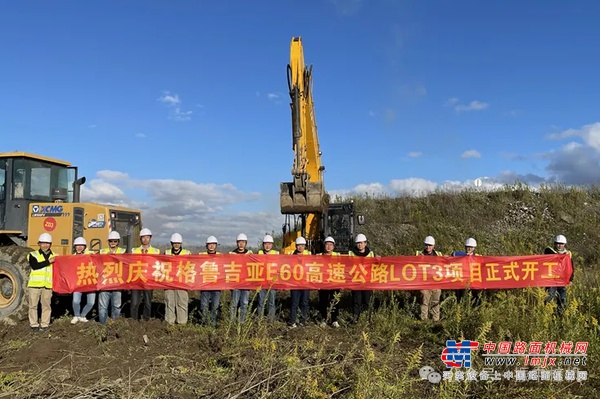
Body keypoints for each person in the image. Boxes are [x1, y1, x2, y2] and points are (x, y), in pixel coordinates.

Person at [130, 228, 160, 320]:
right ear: (140, 238)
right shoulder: (134, 251)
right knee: (134, 302)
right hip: (137, 279)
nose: (145, 239)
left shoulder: (156, 251)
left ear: (150, 238)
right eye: (143, 237)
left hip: (148, 280)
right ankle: (134, 320)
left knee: (147, 302)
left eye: (147, 237)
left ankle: (146, 320)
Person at [27, 233, 55, 331]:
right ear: (39, 244)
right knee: (33, 306)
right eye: (43, 243)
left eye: (47, 243)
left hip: (47, 286)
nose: (45, 245)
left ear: (50, 244)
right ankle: (34, 324)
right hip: (34, 285)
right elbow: (35, 266)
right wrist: (48, 262)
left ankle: (45, 324)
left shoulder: (55, 256)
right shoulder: (33, 255)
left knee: (46, 306)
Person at [98, 231, 126, 324]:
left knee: (116, 306)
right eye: (111, 241)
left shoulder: (123, 252)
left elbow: (127, 265)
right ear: (108, 242)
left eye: (115, 241)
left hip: (117, 283)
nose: (113, 243)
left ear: (118, 242)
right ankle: (103, 325)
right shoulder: (102, 252)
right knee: (102, 307)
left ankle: (114, 324)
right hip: (105, 283)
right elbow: (94, 262)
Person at [164, 233, 191, 325]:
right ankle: (169, 321)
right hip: (169, 282)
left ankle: (182, 322)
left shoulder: (187, 253)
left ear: (181, 243)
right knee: (169, 302)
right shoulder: (166, 253)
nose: (176, 245)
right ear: (171, 243)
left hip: (182, 282)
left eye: (178, 243)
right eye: (174, 243)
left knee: (182, 302)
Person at [544, 234, 573, 316]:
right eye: (557, 243)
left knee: (562, 299)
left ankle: (559, 315)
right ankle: (546, 315)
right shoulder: (549, 251)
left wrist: (570, 279)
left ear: (564, 244)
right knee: (549, 298)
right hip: (551, 280)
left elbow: (571, 268)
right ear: (554, 243)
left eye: (561, 244)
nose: (559, 245)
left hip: (562, 281)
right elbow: (548, 253)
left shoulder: (568, 254)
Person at [349, 233, 375, 322]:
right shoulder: (351, 254)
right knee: (357, 301)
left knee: (367, 301)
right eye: (358, 243)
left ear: (365, 243)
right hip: (356, 282)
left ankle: (367, 318)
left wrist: (379, 260)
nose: (360, 245)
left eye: (362, 243)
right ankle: (356, 319)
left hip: (367, 282)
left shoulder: (371, 254)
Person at [417, 235, 443, 322]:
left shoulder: (439, 254)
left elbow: (446, 264)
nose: (428, 247)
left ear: (433, 246)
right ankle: (424, 321)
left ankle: (435, 320)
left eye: (430, 245)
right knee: (424, 302)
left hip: (436, 282)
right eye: (426, 245)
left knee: (435, 302)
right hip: (424, 283)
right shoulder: (418, 254)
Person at [317, 236, 341, 328]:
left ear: (333, 246)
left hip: (335, 282)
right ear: (324, 246)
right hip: (323, 282)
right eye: (327, 244)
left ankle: (334, 320)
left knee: (335, 301)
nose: (328, 247)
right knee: (323, 301)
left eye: (331, 245)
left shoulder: (338, 255)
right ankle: (323, 319)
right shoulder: (319, 256)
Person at [70, 237, 95, 324]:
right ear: (75, 247)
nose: (79, 247)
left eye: (81, 245)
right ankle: (76, 315)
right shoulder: (72, 257)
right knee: (76, 301)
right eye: (77, 245)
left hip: (90, 282)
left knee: (91, 302)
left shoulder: (91, 255)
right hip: (78, 282)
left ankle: (82, 315)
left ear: (85, 247)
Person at [451, 237, 482, 305]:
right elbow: (452, 255)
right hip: (462, 281)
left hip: (474, 281)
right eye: (468, 247)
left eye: (471, 247)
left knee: (475, 298)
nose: (469, 249)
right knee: (461, 298)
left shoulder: (478, 257)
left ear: (474, 248)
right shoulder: (459, 255)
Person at [229, 233, 253, 323]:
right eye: (239, 242)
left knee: (244, 303)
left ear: (246, 243)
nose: (241, 244)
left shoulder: (250, 254)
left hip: (246, 283)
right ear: (237, 243)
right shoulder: (232, 254)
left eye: (243, 242)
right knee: (234, 303)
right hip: (235, 282)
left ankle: (242, 321)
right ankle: (232, 321)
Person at [288, 237, 311, 328]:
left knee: (304, 302)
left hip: (305, 282)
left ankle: (302, 321)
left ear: (305, 246)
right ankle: (292, 321)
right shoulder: (291, 255)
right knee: (294, 302)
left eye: (302, 245)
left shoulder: (309, 254)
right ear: (296, 246)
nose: (300, 247)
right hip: (295, 283)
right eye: (298, 246)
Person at [199, 235, 221, 326]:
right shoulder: (201, 256)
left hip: (216, 285)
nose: (211, 246)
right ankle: (205, 322)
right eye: (209, 244)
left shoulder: (221, 256)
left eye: (213, 244)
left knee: (215, 305)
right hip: (205, 285)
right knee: (204, 305)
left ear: (216, 245)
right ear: (206, 246)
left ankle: (213, 322)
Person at [257, 234, 279, 322]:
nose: (267, 246)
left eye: (269, 244)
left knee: (271, 302)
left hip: (272, 282)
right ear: (263, 245)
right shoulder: (259, 253)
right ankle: (260, 319)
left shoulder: (276, 254)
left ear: (272, 245)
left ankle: (271, 320)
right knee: (260, 301)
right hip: (261, 282)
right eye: (266, 244)